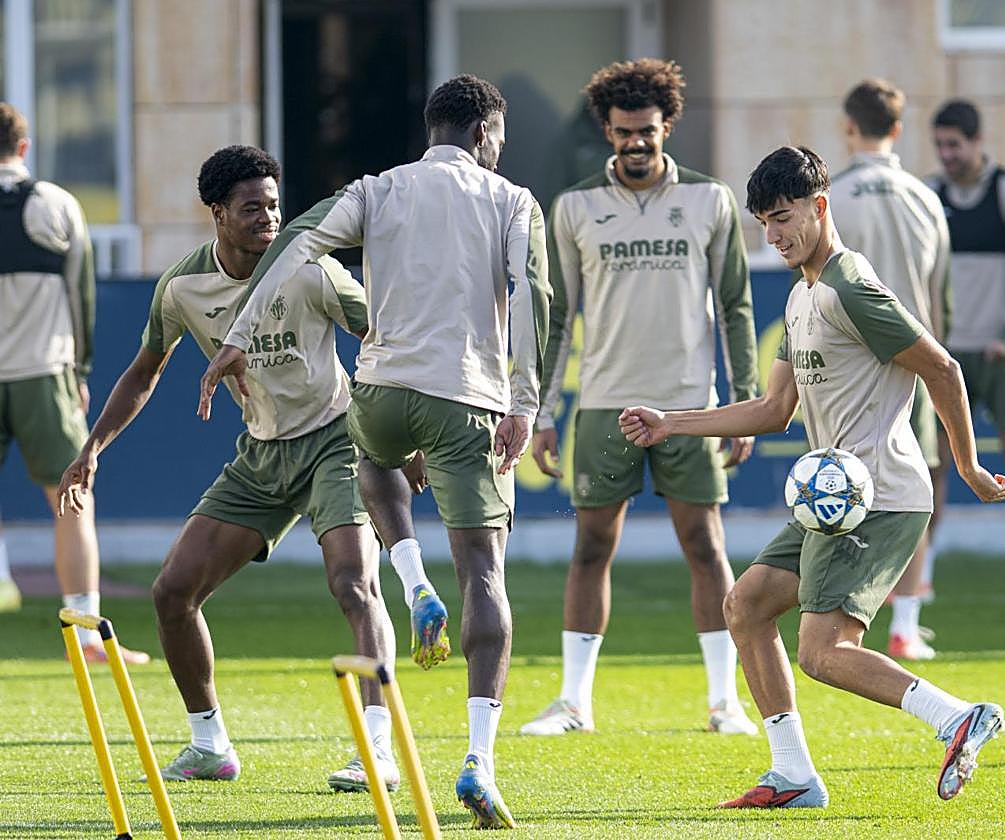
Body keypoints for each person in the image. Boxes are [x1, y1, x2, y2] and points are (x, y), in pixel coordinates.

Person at [199, 76, 551, 830]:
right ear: (484, 133)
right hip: (465, 394)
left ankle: (412, 579)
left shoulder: (375, 188)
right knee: (483, 571)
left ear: (431, 130)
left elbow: (294, 241)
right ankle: (479, 759)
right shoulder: (513, 200)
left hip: (381, 390)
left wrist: (237, 335)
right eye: (499, 137)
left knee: (374, 461)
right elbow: (531, 296)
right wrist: (525, 404)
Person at [619, 146, 1005, 808]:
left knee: (824, 652)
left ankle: (956, 718)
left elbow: (942, 368)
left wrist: (967, 464)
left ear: (819, 207)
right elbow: (775, 409)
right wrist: (670, 423)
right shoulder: (803, 295)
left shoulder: (849, 287)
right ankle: (793, 774)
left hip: (877, 496)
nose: (773, 236)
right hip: (834, 500)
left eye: (783, 218)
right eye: (764, 224)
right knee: (746, 606)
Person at [57, 145, 415, 793]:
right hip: (261, 455)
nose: (270, 218)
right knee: (172, 593)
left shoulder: (313, 270)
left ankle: (378, 752)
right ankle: (210, 745)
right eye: (253, 208)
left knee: (354, 583)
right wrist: (92, 449)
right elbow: (143, 373)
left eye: (275, 205)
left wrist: (403, 436)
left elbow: (388, 339)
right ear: (217, 213)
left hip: (338, 441)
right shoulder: (181, 287)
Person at [521, 58, 759, 739]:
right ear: (607, 130)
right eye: (623, 131)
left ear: (666, 127)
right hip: (604, 404)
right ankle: (574, 703)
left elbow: (735, 306)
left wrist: (742, 404)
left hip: (689, 405)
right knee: (591, 547)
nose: (635, 143)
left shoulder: (711, 200)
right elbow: (557, 318)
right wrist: (542, 413)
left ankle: (724, 703)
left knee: (705, 546)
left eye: (646, 131)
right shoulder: (573, 207)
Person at [0, 103, 147, 660]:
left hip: (38, 367)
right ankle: (86, 635)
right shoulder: (58, 204)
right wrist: (82, 371)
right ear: (24, 147)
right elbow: (81, 296)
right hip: (45, 370)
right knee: (72, 497)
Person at [828, 78, 951, 660]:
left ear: (849, 127)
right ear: (897, 129)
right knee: (915, 488)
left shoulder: (832, 198)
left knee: (837, 486)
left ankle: (838, 614)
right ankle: (905, 622)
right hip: (914, 361)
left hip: (848, 366)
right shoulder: (925, 198)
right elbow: (940, 295)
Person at [926, 99, 1005, 605]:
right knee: (934, 463)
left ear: (978, 141)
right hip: (947, 354)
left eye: (954, 144)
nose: (946, 154)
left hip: (1002, 352)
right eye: (940, 145)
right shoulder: (929, 194)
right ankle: (920, 574)